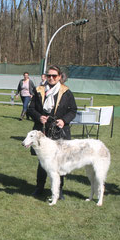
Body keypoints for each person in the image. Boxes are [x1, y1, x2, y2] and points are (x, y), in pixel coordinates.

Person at [27, 65, 77, 198]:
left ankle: (59, 190)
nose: (51, 78)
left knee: (60, 161)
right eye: (49, 75)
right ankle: (39, 187)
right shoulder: (39, 90)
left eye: (54, 76)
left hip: (59, 132)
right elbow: (30, 109)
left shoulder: (66, 92)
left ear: (60, 77)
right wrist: (39, 117)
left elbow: (73, 110)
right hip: (43, 131)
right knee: (42, 160)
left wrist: (64, 120)